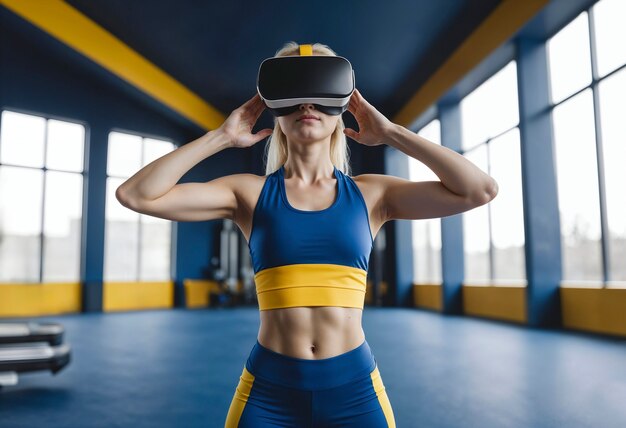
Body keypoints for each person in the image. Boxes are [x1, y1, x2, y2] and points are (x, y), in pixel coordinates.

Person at [116, 42, 498, 427]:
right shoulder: (248, 193)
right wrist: (221, 137)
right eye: (294, 96)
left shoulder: (372, 194)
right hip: (268, 392)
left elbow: (478, 190)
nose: (307, 106)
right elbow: (135, 195)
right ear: (275, 109)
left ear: (344, 108)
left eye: (319, 95)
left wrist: (392, 132)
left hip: (355, 391)